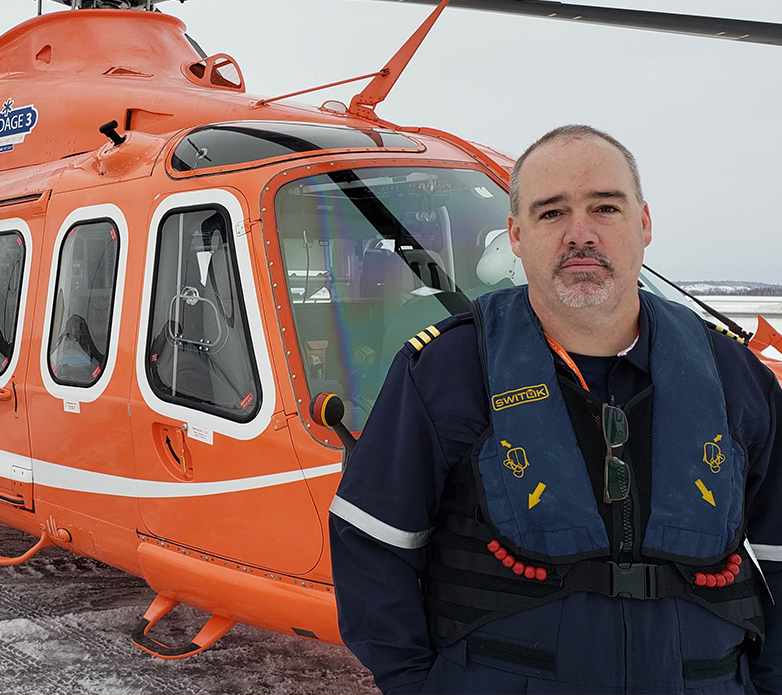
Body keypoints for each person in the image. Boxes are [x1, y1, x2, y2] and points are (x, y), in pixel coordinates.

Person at [329, 124, 782, 693]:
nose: (580, 233)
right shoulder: (446, 372)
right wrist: (422, 684)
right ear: (516, 235)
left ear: (643, 223)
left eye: (605, 208)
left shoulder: (733, 377)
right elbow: (373, 546)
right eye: (551, 213)